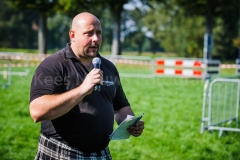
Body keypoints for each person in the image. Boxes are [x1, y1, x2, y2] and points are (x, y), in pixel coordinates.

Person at [29, 12, 144, 160]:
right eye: (89, 33)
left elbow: (120, 106)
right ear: (73, 35)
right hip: (61, 152)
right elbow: (37, 111)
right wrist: (83, 89)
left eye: (98, 33)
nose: (95, 39)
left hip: (101, 153)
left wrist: (131, 123)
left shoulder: (108, 67)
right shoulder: (53, 65)